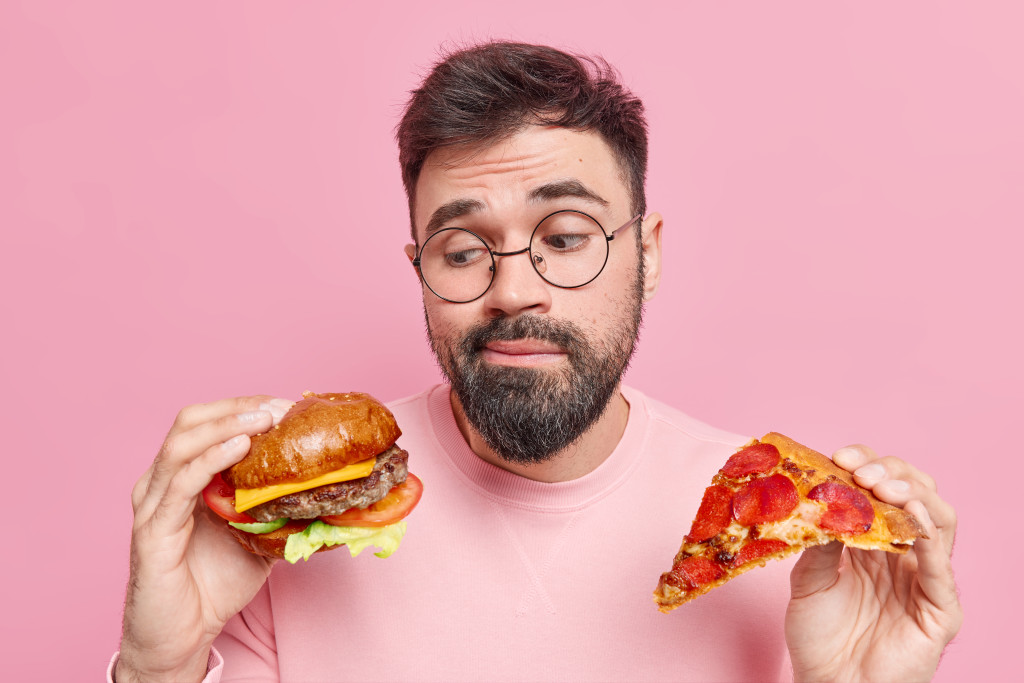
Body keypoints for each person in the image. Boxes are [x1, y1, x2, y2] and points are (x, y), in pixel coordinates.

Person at [111, 42, 961, 682]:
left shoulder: (785, 536)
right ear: (419, 269)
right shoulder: (279, 531)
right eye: (461, 247)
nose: (514, 289)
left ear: (649, 254)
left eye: (564, 238)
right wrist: (159, 666)